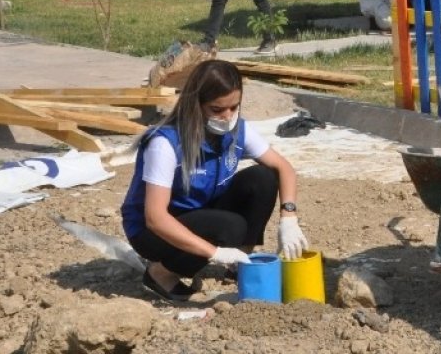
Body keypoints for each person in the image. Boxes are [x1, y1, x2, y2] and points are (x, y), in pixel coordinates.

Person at [121, 59, 309, 302]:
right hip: (152, 231)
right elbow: (155, 218)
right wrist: (215, 252)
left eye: (234, 107)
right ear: (195, 105)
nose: (227, 116)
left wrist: (289, 217)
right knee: (229, 228)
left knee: (262, 177)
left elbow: (283, 167)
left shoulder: (237, 130)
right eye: (217, 110)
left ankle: (241, 263)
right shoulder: (166, 143)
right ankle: (162, 274)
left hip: (202, 211)